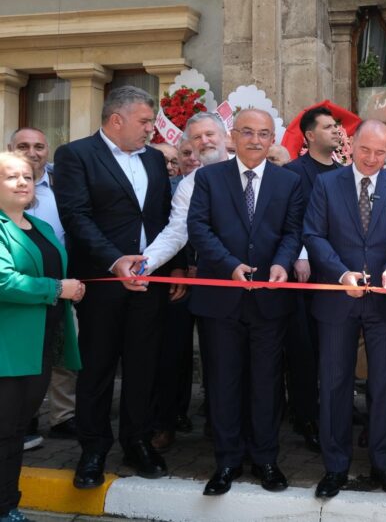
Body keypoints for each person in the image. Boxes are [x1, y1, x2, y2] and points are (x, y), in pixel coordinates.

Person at [54, 85, 178, 489]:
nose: (150, 129)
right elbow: (76, 217)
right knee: (98, 368)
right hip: (102, 282)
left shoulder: (155, 162)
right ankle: (93, 449)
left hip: (149, 282)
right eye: (145, 121)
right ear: (116, 119)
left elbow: (163, 219)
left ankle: (137, 441)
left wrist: (171, 267)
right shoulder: (75, 155)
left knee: (144, 367)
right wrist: (115, 260)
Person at [187, 109, 304, 496]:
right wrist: (230, 265)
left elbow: (292, 231)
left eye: (264, 134)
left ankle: (266, 459)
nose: (256, 140)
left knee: (267, 384)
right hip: (221, 297)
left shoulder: (289, 182)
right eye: (248, 132)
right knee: (223, 382)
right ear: (232, 136)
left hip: (269, 301)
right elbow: (199, 229)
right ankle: (227, 462)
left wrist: (282, 265)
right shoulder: (207, 178)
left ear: (273, 139)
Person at [304, 119, 386, 499]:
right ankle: (335, 467)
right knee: (334, 385)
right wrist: (340, 273)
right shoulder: (326, 184)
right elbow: (313, 234)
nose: (371, 159)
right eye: (365, 150)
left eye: (380, 153)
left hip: (384, 304)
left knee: (384, 386)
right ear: (350, 144)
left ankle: (383, 465)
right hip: (338, 301)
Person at [0, 152, 84, 522]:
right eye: (11, 177)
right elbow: (3, 281)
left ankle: (8, 503)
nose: (22, 182)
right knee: (4, 431)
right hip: (7, 347)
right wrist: (56, 288)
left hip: (41, 345)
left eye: (28, 177)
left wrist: (71, 288)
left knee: (16, 430)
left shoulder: (44, 229)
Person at [140, 113, 229, 452]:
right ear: (188, 144)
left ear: (224, 137)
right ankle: (164, 423)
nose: (204, 141)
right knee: (170, 355)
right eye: (197, 137)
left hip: (228, 287)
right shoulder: (190, 185)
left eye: (210, 134)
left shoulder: (246, 173)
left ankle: (222, 426)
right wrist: (143, 266)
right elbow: (176, 231)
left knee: (222, 361)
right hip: (180, 282)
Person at [8, 128, 77, 441]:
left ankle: (62, 417)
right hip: (23, 300)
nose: (32, 152)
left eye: (39, 146)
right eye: (24, 146)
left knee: (57, 356)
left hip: (60, 288)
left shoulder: (62, 186)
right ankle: (26, 420)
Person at [283, 106, 343, 453]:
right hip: (303, 277)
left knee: (333, 348)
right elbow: (295, 222)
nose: (336, 131)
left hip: (336, 275)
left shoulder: (343, 172)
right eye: (328, 126)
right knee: (304, 350)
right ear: (308, 136)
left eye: (337, 126)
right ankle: (306, 416)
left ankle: (335, 409)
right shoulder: (293, 173)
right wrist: (302, 256)